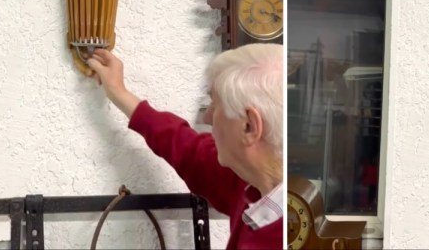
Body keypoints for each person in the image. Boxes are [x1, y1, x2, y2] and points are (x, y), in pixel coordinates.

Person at [87, 43, 284, 249]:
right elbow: (187, 147)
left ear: (249, 126)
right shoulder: (245, 181)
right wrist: (119, 92)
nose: (207, 117)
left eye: (215, 105)